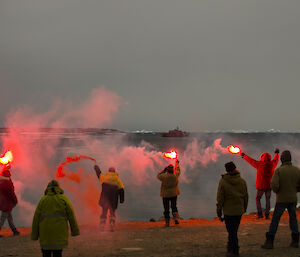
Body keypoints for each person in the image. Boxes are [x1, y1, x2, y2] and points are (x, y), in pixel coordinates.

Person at [262, 150, 300, 249]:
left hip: (282, 199)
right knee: (293, 219)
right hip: (293, 198)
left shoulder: (279, 171)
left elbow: (274, 185)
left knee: (275, 219)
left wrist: (278, 191)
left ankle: (270, 242)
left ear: (282, 159)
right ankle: (295, 241)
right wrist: (294, 190)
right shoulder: (297, 170)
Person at [31, 180, 79, 257]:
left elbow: (36, 219)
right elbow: (71, 215)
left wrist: (34, 235)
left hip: (45, 235)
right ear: (58, 188)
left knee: (46, 254)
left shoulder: (43, 200)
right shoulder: (63, 199)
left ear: (47, 188)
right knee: (58, 254)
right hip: (59, 235)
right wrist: (75, 231)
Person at [217, 161, 248, 257]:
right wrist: (244, 209)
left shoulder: (223, 181)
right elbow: (246, 196)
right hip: (239, 211)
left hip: (228, 212)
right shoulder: (242, 181)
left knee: (231, 232)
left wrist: (219, 211)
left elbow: (220, 198)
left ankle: (234, 250)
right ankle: (231, 248)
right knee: (234, 231)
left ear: (226, 170)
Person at [240, 148, 279, 219]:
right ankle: (267, 215)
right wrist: (277, 153)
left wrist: (243, 155)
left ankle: (260, 214)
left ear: (262, 158)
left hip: (261, 186)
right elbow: (276, 159)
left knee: (258, 198)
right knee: (268, 200)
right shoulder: (272, 164)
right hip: (269, 186)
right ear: (269, 158)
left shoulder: (259, 164)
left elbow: (250, 160)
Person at [94, 165, 125, 232]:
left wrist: (96, 168)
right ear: (114, 172)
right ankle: (111, 224)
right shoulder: (117, 180)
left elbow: (99, 174)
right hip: (113, 200)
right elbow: (122, 190)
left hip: (104, 198)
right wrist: (121, 199)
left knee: (104, 212)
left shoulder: (104, 177)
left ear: (108, 171)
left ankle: (102, 225)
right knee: (112, 212)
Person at [157, 159, 181, 227]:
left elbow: (158, 175)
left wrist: (164, 171)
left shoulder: (163, 176)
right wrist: (177, 164)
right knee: (174, 207)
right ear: (173, 170)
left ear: (167, 170)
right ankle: (176, 219)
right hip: (174, 194)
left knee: (166, 208)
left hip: (165, 195)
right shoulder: (175, 176)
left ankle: (167, 222)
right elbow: (178, 170)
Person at [0, 169, 20, 237]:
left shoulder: (2, 182)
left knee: (9, 217)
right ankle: (14, 230)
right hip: (6, 203)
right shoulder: (7, 183)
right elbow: (11, 193)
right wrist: (15, 200)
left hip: (3, 203)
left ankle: (14, 230)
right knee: (3, 218)